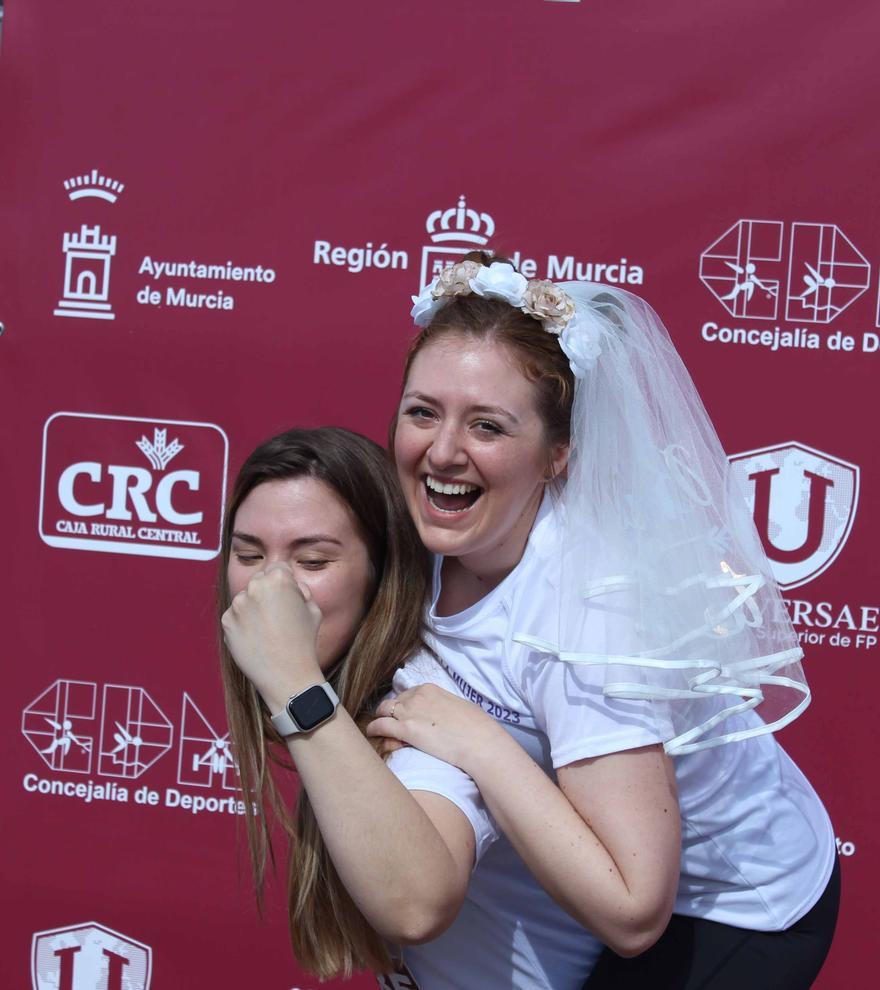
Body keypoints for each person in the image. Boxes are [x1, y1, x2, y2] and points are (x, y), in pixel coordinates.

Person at [363, 253, 839, 989]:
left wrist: (480, 744)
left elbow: (631, 911)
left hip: (734, 905)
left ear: (558, 457)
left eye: (487, 426)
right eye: (423, 411)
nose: (443, 451)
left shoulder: (586, 614)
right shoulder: (410, 533)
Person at [219, 426, 608, 989]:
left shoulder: (425, 704)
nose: (270, 589)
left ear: (381, 572)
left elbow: (415, 904)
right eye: (249, 554)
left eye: (313, 560)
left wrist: (295, 685)